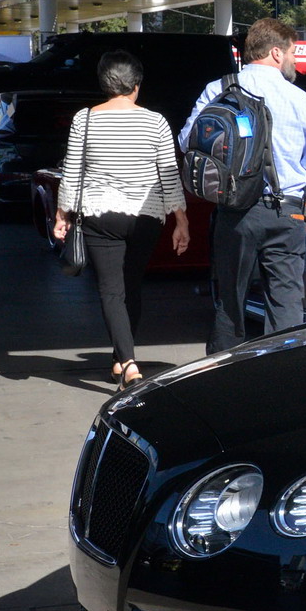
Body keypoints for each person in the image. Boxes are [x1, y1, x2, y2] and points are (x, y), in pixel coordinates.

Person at [181, 17, 306, 353]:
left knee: (230, 300)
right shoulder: (300, 99)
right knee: (286, 301)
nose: (293, 61)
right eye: (291, 53)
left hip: (234, 212)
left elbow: (187, 140)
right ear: (276, 53)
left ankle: (222, 376)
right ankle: (284, 379)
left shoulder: (218, 89)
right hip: (287, 213)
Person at [54, 51, 190, 388]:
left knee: (111, 291)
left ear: (105, 83)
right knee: (132, 286)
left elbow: (71, 173)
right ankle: (123, 358)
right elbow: (169, 175)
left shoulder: (84, 120)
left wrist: (62, 214)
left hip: (101, 215)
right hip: (146, 216)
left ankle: (126, 361)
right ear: (136, 85)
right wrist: (181, 220)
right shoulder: (156, 121)